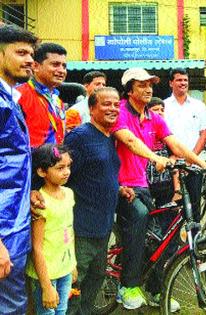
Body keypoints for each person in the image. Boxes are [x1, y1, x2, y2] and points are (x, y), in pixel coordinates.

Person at [112, 68, 206, 311]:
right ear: (129, 90)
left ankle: (156, 289)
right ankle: (128, 286)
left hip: (143, 185)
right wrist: (155, 158)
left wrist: (204, 165)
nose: (148, 89)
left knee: (162, 238)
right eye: (142, 85)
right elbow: (129, 141)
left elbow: (175, 143)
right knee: (139, 217)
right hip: (121, 186)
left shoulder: (153, 117)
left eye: (150, 85)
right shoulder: (121, 112)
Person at [64, 87, 137, 314]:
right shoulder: (79, 137)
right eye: (106, 104)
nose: (113, 109)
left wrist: (118, 189)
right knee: (74, 283)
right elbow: (63, 176)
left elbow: (98, 174)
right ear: (92, 108)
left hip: (103, 227)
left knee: (95, 279)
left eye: (116, 104)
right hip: (81, 227)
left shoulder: (108, 137)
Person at [0, 24, 38, 315]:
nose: (29, 60)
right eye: (21, 52)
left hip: (16, 224)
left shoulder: (10, 99)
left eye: (31, 54)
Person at [27, 144, 77, 314]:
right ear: (42, 172)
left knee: (61, 311)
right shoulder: (40, 203)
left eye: (68, 166)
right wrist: (46, 286)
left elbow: (69, 232)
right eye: (60, 168)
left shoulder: (69, 194)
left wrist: (73, 264)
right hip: (46, 274)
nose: (67, 172)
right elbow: (37, 247)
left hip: (65, 269)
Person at [164, 68, 206, 218]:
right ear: (171, 83)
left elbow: (204, 133)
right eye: (179, 80)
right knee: (171, 208)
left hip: (194, 166)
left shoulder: (199, 106)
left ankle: (193, 240)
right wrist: (176, 158)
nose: (183, 83)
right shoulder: (163, 107)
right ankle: (173, 241)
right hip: (172, 165)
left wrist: (191, 159)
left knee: (194, 207)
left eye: (185, 80)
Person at [17, 42, 67, 147]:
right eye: (55, 64)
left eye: (64, 66)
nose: (62, 70)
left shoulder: (58, 101)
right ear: (35, 66)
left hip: (55, 161)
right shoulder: (19, 95)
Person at [146, 97, 180, 205]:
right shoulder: (141, 131)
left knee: (166, 217)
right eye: (156, 109)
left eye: (162, 110)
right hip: (145, 185)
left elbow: (174, 155)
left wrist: (177, 189)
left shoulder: (167, 133)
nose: (160, 112)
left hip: (165, 184)